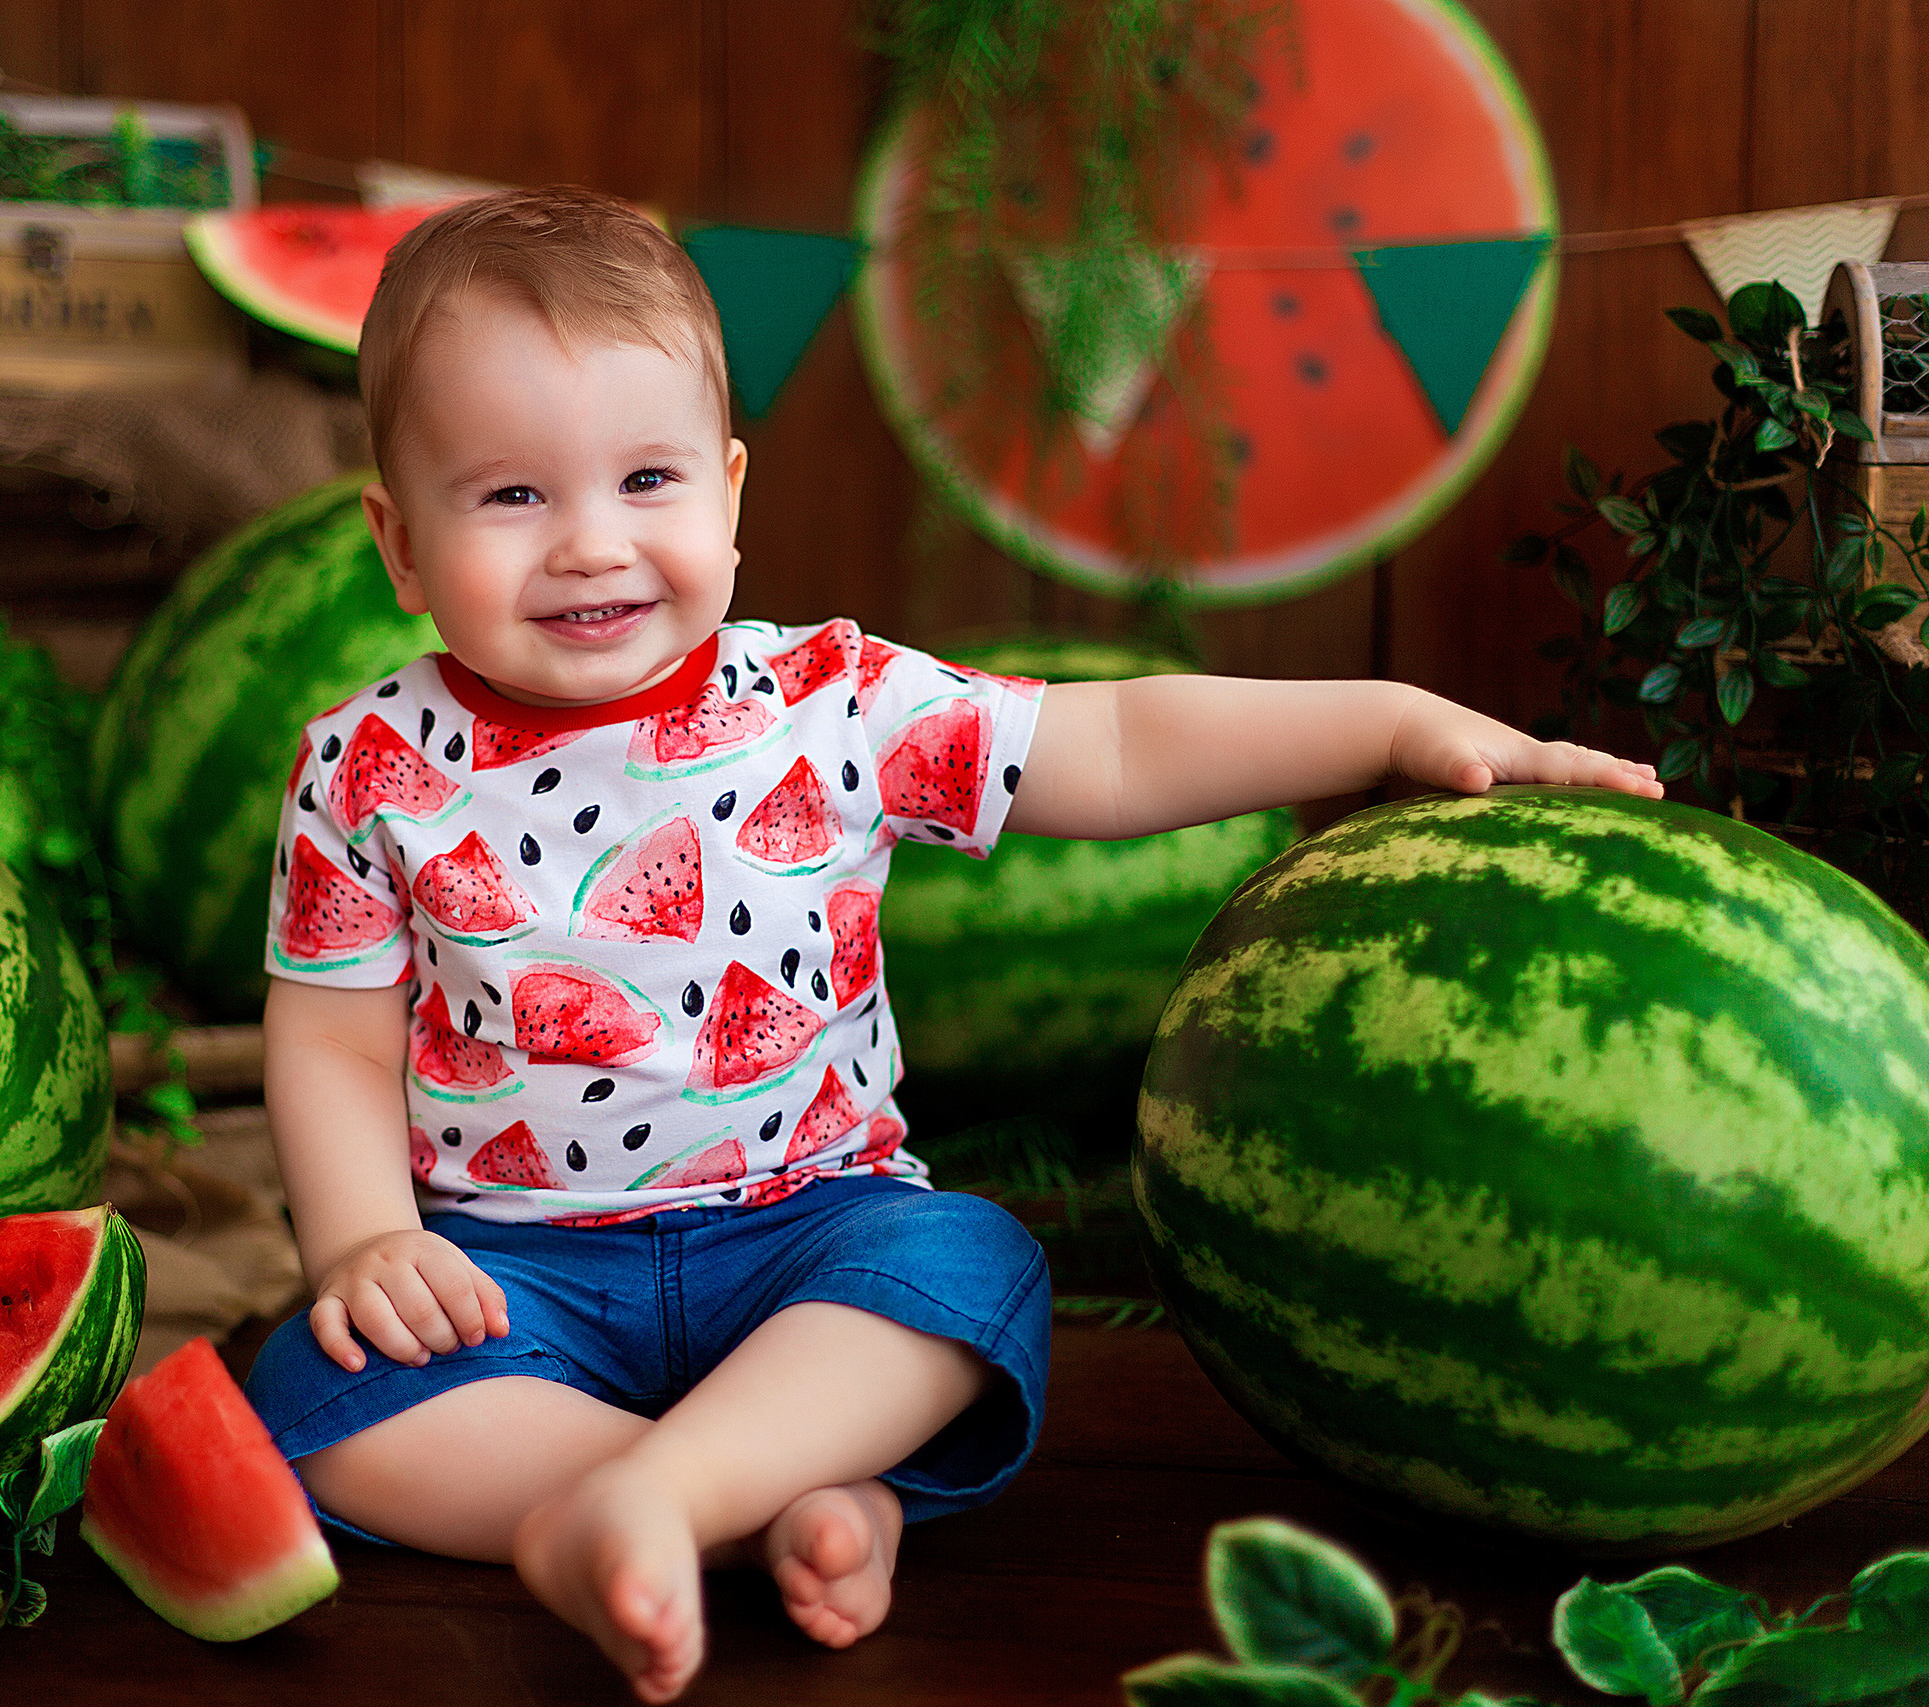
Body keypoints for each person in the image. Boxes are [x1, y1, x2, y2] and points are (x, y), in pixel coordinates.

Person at [242, 185, 1662, 1702]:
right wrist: (365, 1243)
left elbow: (1114, 744)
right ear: (399, 542)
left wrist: (1388, 721)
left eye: (646, 480)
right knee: (316, 1392)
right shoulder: (365, 768)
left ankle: (654, 1503)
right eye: (512, 497)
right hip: (510, 1273)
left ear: (728, 493)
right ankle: (753, 1494)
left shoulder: (834, 707)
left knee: (966, 1269)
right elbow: (333, 1037)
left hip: (806, 1232)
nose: (594, 544)